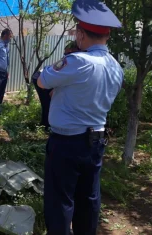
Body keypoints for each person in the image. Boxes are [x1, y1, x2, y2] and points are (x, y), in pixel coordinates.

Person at [36, 0, 123, 234]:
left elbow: (43, 80)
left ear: (81, 34)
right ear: (107, 37)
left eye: (77, 31)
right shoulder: (116, 67)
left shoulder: (78, 61)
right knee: (89, 199)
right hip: (96, 142)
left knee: (60, 203)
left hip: (66, 144)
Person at [31, 41, 81, 131]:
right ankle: (46, 126)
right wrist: (54, 89)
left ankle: (46, 125)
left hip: (45, 78)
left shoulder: (75, 60)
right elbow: (59, 75)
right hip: (39, 77)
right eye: (66, 52)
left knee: (50, 102)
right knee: (47, 103)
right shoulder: (68, 60)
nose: (65, 54)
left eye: (67, 52)